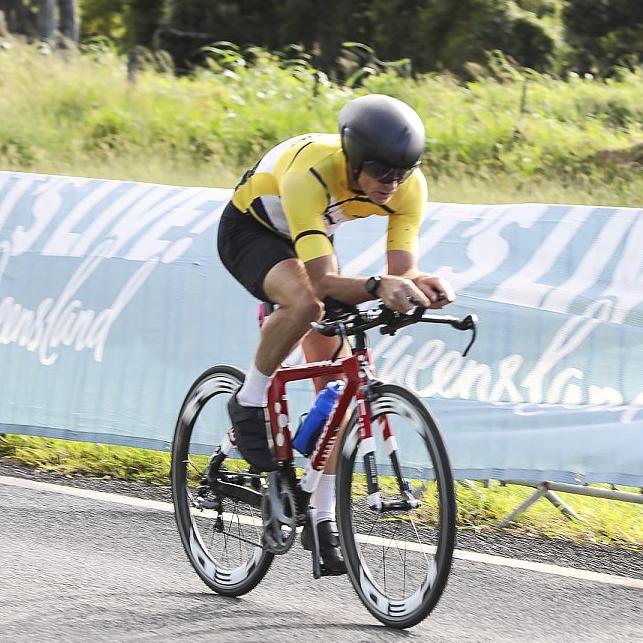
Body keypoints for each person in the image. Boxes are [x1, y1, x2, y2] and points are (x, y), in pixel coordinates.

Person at [217, 93, 455, 574]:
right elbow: (322, 282)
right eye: (382, 174)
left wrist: (418, 287)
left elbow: (400, 270)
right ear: (353, 162)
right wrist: (376, 286)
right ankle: (250, 397)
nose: (393, 185)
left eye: (402, 173)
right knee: (306, 303)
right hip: (252, 232)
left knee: (342, 394)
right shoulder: (312, 174)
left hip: (311, 242)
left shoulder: (407, 187)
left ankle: (322, 519)